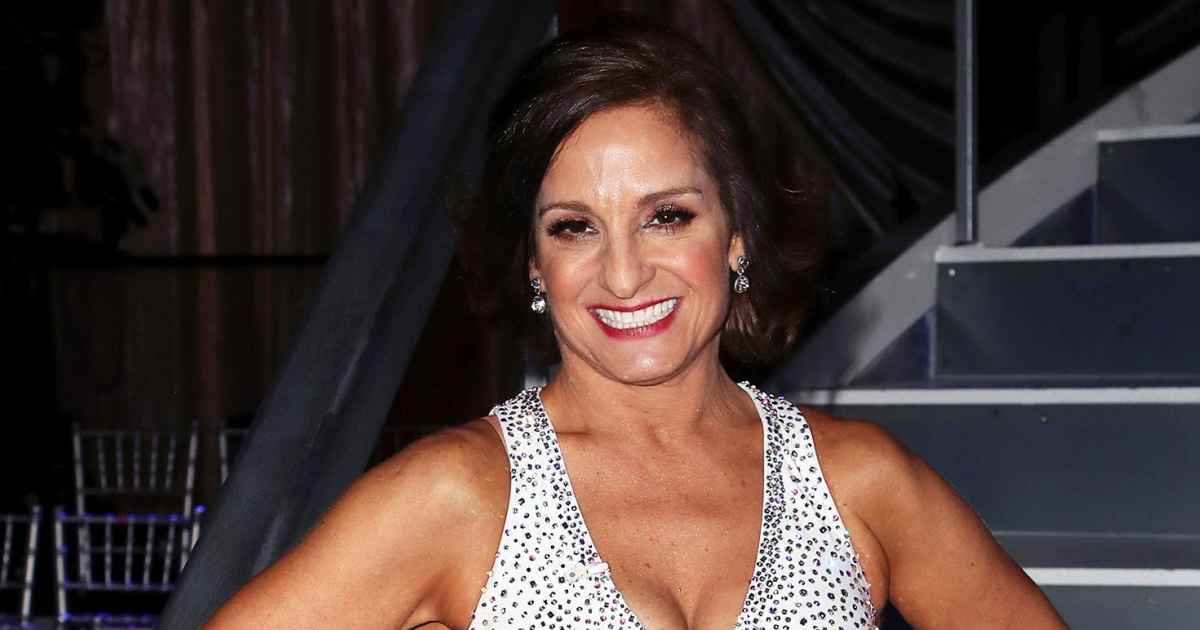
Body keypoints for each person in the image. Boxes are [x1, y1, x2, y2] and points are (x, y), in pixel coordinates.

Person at [207, 22, 1066, 630]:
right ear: (534, 264)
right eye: (574, 227)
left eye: (666, 217)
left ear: (736, 234)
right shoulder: (457, 498)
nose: (623, 274)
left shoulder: (861, 484)